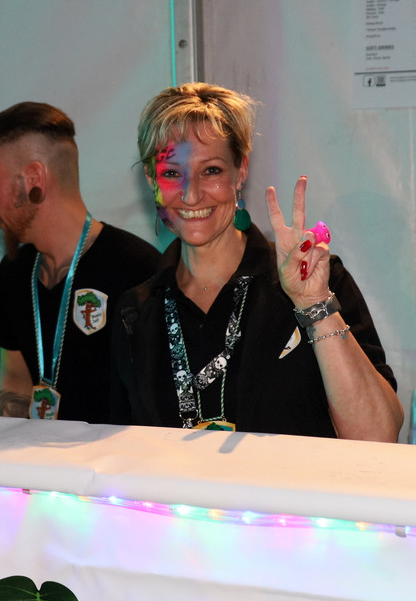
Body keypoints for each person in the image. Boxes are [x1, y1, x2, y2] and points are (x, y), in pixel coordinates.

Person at [110, 82, 402, 440]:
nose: (191, 193)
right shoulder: (136, 312)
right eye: (171, 173)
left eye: (211, 170)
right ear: (151, 179)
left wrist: (313, 306)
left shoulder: (314, 283)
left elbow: (378, 437)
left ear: (241, 170)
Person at [0, 101, 162, 422]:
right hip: (36, 454)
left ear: (34, 178)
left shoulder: (138, 270)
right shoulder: (13, 271)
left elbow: (156, 405)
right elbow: (15, 382)